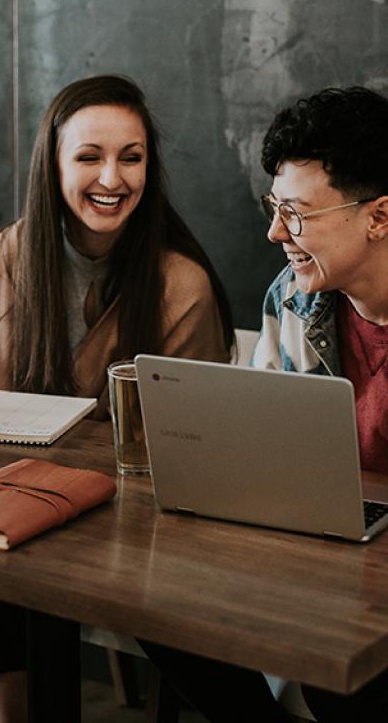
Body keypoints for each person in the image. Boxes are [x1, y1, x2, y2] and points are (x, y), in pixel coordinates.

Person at [0, 74, 235, 722]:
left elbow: (195, 449)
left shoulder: (180, 284)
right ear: (54, 165)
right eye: (89, 156)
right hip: (17, 505)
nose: (112, 178)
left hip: (128, 529)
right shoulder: (15, 252)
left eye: (131, 157)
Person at [142, 86, 388, 722]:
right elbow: (261, 457)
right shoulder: (294, 300)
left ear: (379, 216)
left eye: (298, 214)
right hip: (318, 555)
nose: (276, 232)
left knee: (347, 676)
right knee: (157, 605)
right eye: (273, 208)